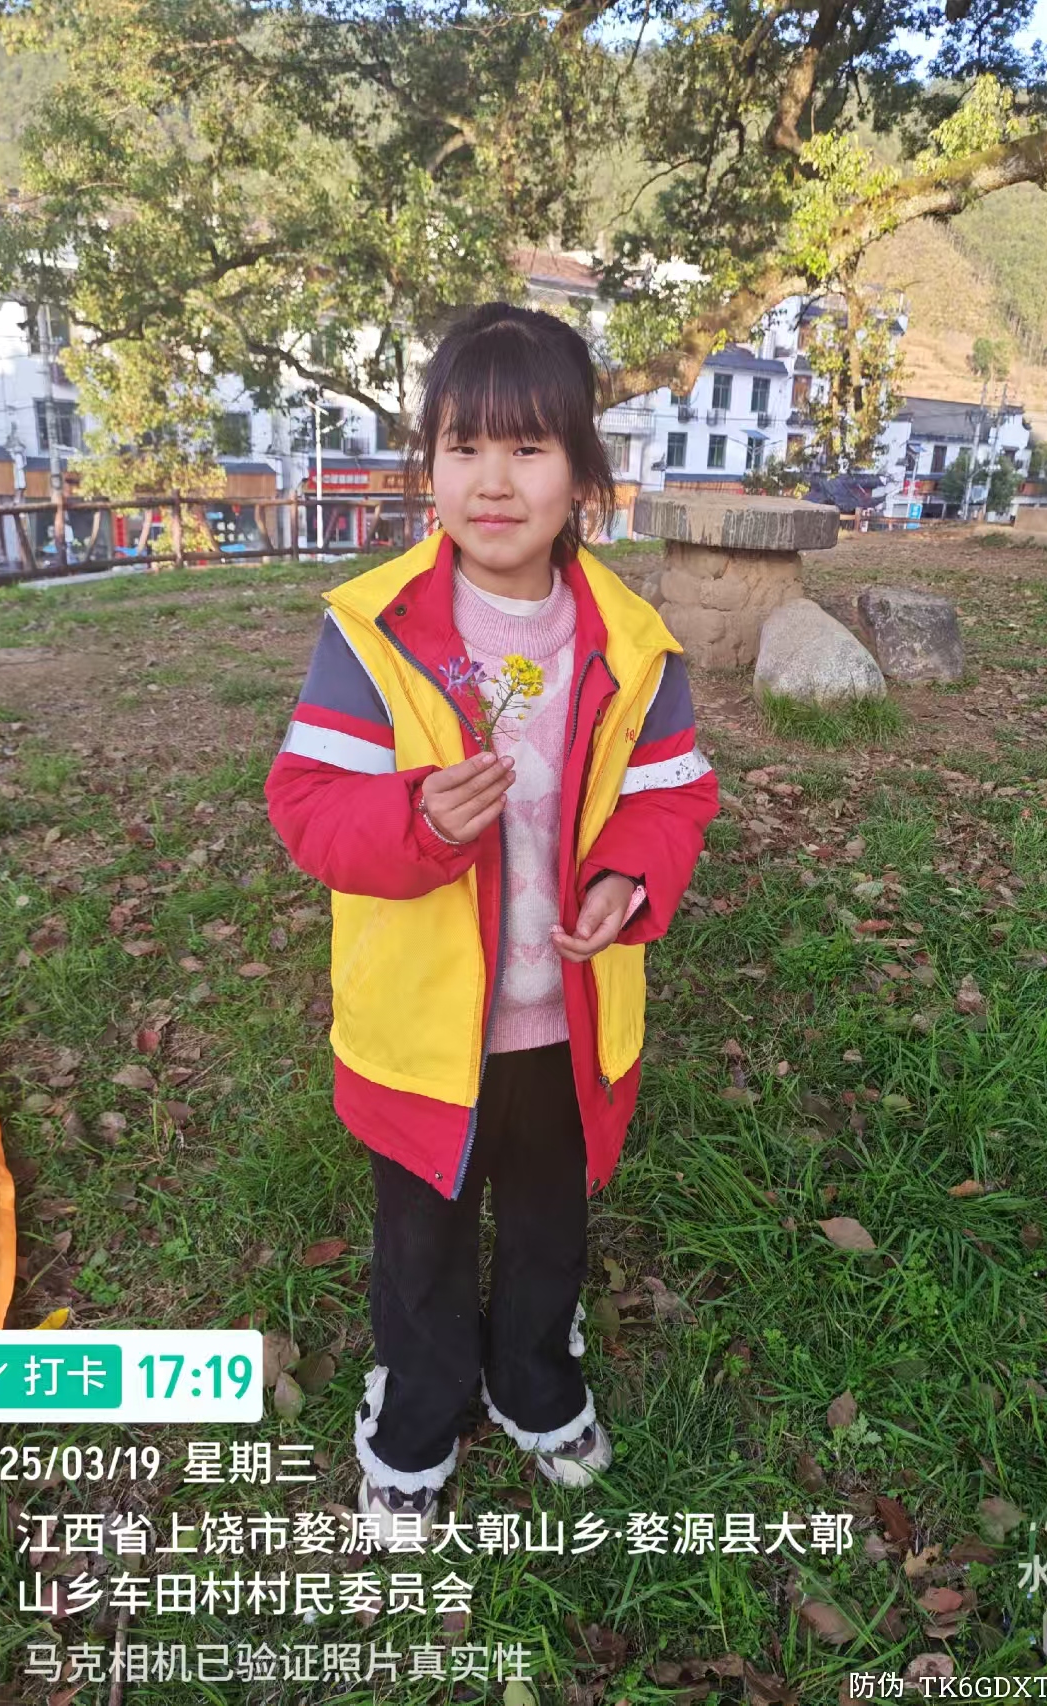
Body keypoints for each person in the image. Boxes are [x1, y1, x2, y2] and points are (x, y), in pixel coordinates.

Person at [265, 302, 719, 1538]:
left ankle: (533, 1376)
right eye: (463, 446)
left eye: (528, 447)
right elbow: (307, 805)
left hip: (565, 1016)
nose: (493, 480)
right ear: (430, 465)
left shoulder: (635, 646)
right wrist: (417, 818)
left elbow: (672, 795)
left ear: (583, 472)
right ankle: (414, 1413)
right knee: (418, 1237)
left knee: (549, 1219)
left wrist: (626, 878)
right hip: (422, 1028)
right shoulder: (374, 634)